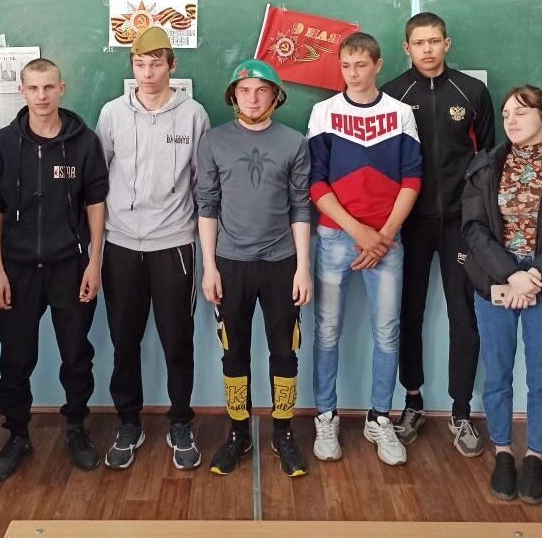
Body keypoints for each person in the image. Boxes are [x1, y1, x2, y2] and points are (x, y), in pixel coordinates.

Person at [461, 85, 542, 504]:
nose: (511, 121)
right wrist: (510, 274)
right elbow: (474, 229)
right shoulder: (485, 165)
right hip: (496, 280)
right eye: (505, 115)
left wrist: (533, 275)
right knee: (497, 373)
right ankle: (502, 452)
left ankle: (534, 457)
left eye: (520, 112)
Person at [0, 57, 108, 476]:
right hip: (17, 270)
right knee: (15, 358)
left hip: (70, 266)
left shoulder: (85, 142)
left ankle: (76, 428)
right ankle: (17, 434)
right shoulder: (1, 144)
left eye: (49, 87)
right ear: (22, 91)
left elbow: (96, 205)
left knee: (76, 354)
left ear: (61, 88)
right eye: (33, 88)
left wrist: (94, 262)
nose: (41, 96)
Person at [96, 27, 210, 471]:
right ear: (132, 66)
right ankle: (129, 423)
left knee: (177, 340)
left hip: (174, 244)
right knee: (124, 340)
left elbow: (203, 183)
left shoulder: (193, 114)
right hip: (121, 243)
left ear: (172, 66)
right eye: (140, 64)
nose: (147, 73)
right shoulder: (112, 113)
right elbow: (98, 179)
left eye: (156, 64)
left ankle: (181, 422)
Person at [381, 12, 494, 453]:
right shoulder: (392, 94)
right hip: (408, 223)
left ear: (447, 44)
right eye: (418, 42)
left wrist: (477, 216)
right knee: (408, 314)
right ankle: (412, 402)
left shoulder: (472, 92)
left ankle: (461, 411)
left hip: (461, 226)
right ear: (406, 48)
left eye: (434, 41)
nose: (427, 49)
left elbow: (488, 160)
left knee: (463, 316)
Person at [308, 31, 422, 467]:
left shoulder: (400, 113)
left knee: (387, 333)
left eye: (361, 65)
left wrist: (384, 236)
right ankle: (326, 416)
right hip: (336, 237)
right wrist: (359, 232)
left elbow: (412, 179)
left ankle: (379, 418)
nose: (353, 74)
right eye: (346, 66)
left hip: (387, 241)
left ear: (378, 65)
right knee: (327, 331)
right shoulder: (324, 112)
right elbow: (316, 183)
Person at [195, 60, 313, 477]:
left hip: (282, 263)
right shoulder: (213, 141)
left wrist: (303, 268)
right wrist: (209, 267)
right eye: (245, 91)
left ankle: (283, 433)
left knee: (285, 352)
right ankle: (238, 433)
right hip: (231, 264)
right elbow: (206, 205)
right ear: (233, 96)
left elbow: (301, 207)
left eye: (262, 90)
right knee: (234, 352)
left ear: (276, 96)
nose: (253, 98)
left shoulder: (295, 143)